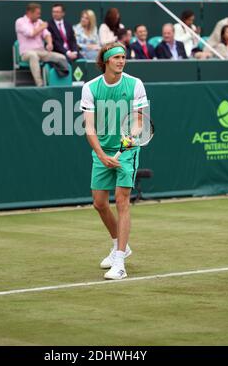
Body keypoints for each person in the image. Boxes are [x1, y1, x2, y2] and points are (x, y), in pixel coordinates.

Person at [80, 41, 148, 280]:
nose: (121, 60)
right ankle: (121, 244)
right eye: (117, 57)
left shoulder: (135, 84)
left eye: (123, 57)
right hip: (102, 151)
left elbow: (140, 120)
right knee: (99, 203)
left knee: (122, 201)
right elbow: (89, 127)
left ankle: (119, 262)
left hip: (127, 150)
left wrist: (133, 134)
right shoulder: (90, 87)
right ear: (106, 61)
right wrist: (101, 155)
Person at [15, 3, 69, 87]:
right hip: (26, 53)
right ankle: (40, 84)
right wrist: (42, 27)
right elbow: (31, 33)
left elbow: (47, 35)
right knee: (33, 55)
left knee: (61, 57)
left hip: (41, 52)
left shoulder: (39, 22)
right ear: (30, 13)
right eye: (37, 13)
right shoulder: (20, 22)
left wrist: (50, 43)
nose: (39, 16)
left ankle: (62, 82)